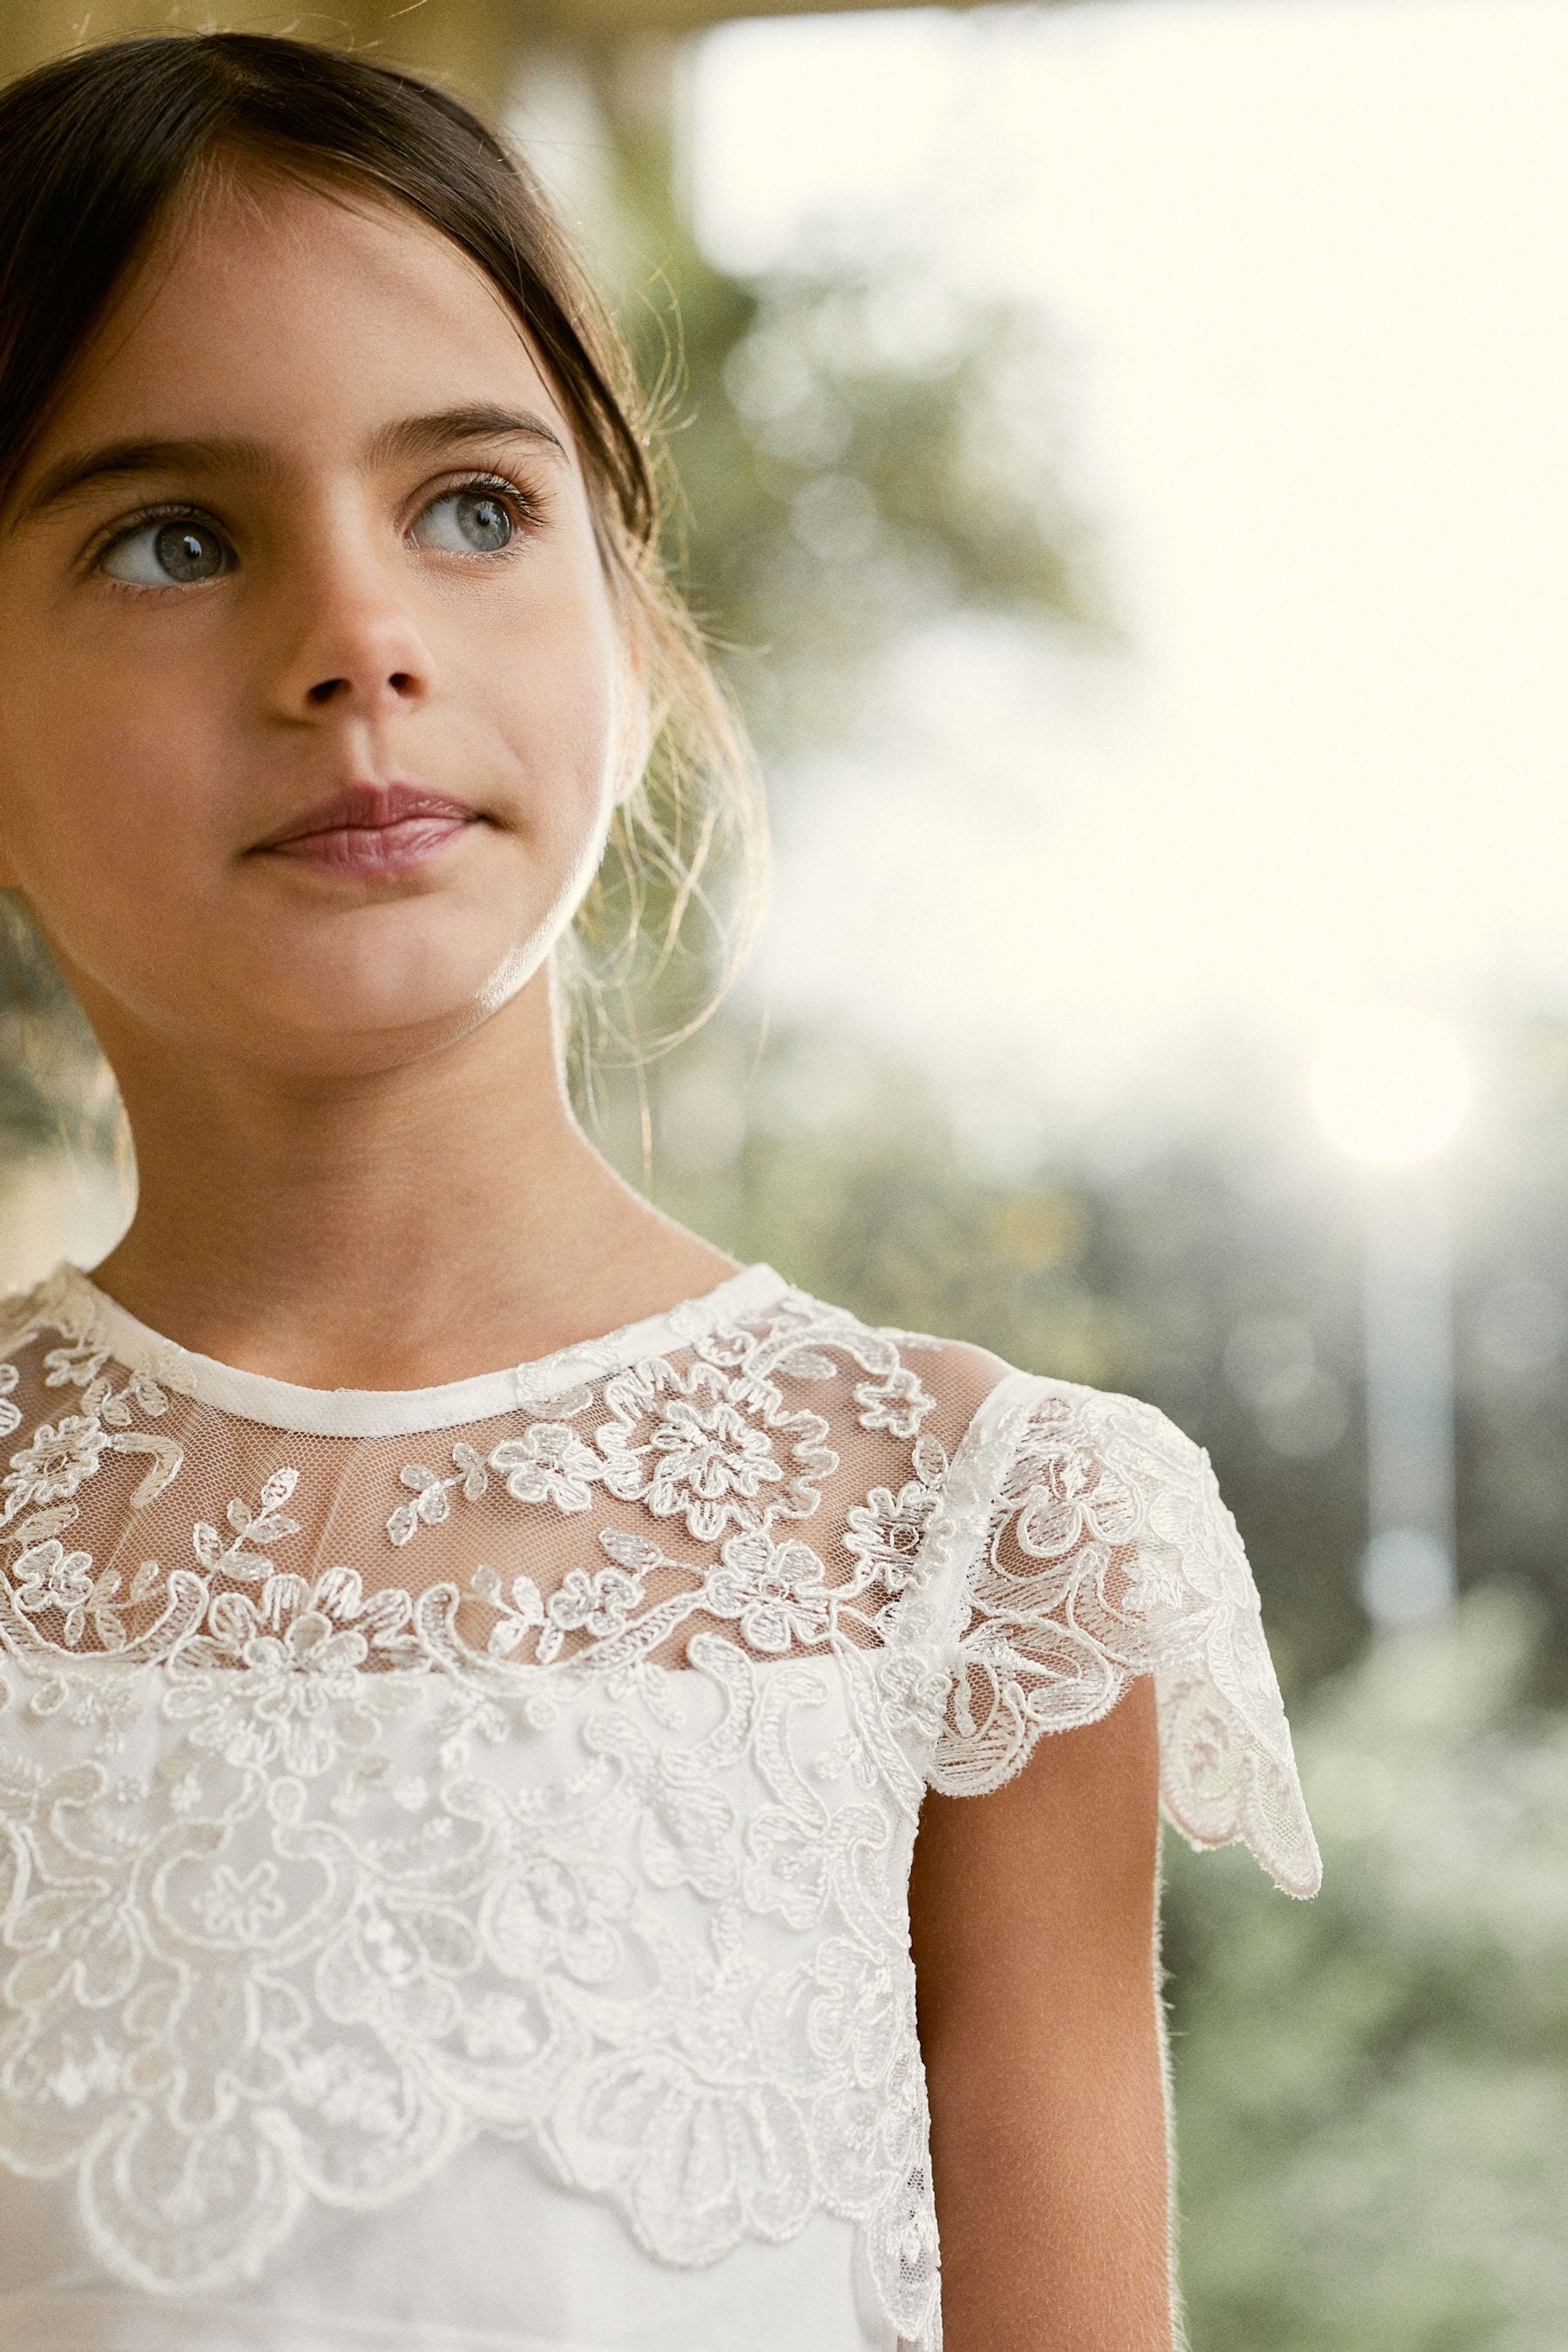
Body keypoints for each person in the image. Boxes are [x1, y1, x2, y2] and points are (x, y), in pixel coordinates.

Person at [0, 31, 1320, 2352]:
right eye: (172, 535)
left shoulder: (982, 1544)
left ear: (629, 611)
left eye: (474, 508)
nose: (355, 638)